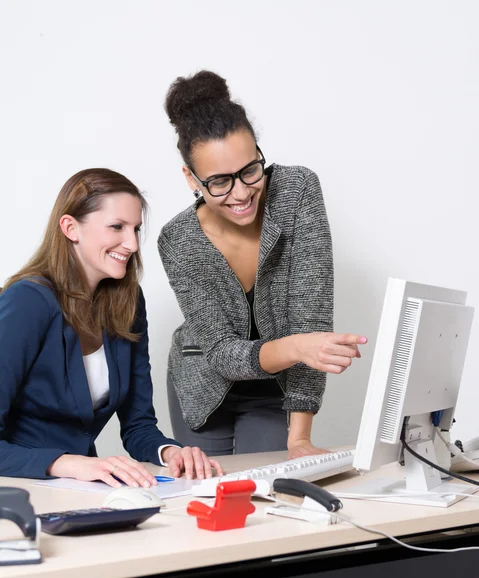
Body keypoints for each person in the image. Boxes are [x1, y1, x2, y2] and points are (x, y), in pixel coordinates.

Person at [158, 70, 368, 459]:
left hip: (274, 387)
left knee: (270, 491)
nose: (241, 193)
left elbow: (311, 321)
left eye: (250, 170)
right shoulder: (178, 239)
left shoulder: (297, 192)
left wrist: (300, 438)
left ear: (258, 152)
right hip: (203, 383)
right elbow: (221, 352)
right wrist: (297, 346)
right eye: (219, 181)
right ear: (191, 178)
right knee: (209, 498)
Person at [0, 167, 223, 487]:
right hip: (20, 487)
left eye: (135, 229)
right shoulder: (28, 301)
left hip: (80, 487)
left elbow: (139, 426)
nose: (132, 244)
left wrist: (171, 452)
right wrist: (67, 463)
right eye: (117, 227)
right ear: (70, 227)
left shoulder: (128, 303)